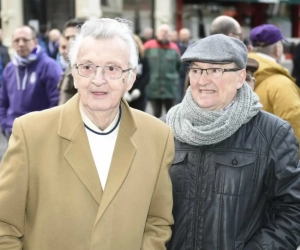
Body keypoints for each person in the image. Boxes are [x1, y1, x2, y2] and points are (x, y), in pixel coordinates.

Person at [0, 18, 174, 250]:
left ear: (130, 78)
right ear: (74, 73)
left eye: (112, 68)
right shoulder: (31, 133)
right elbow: (5, 226)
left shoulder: (158, 137)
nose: (98, 80)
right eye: (87, 67)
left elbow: (158, 221)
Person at [164, 34, 300, 250]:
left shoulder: (273, 134)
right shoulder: (165, 129)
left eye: (215, 70)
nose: (202, 80)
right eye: (196, 70)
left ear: (240, 77)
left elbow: (292, 212)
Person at [0, 25, 61, 140]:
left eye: (25, 40)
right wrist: (5, 125)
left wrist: (45, 130)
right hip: (13, 134)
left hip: (40, 135)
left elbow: (57, 102)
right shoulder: (9, 69)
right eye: (17, 40)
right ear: (12, 44)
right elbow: (2, 101)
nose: (21, 44)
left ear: (35, 41)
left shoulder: (49, 66)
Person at [248, 24, 300, 156]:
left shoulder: (237, 77)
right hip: (277, 162)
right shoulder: (281, 84)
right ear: (277, 49)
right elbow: (294, 125)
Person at [144, 24, 181, 117]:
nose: (164, 33)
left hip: (170, 86)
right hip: (153, 85)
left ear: (170, 34)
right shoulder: (148, 46)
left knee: (171, 113)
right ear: (156, 33)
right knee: (156, 114)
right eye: (161, 31)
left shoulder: (174, 48)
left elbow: (179, 66)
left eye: (166, 31)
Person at [57, 17, 87, 105]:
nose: (69, 42)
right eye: (67, 38)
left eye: (74, 37)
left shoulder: (88, 66)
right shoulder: (71, 63)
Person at [124, 34, 150, 111]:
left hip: (139, 93)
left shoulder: (143, 58)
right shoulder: (122, 59)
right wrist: (124, 91)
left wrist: (139, 89)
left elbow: (147, 75)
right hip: (125, 93)